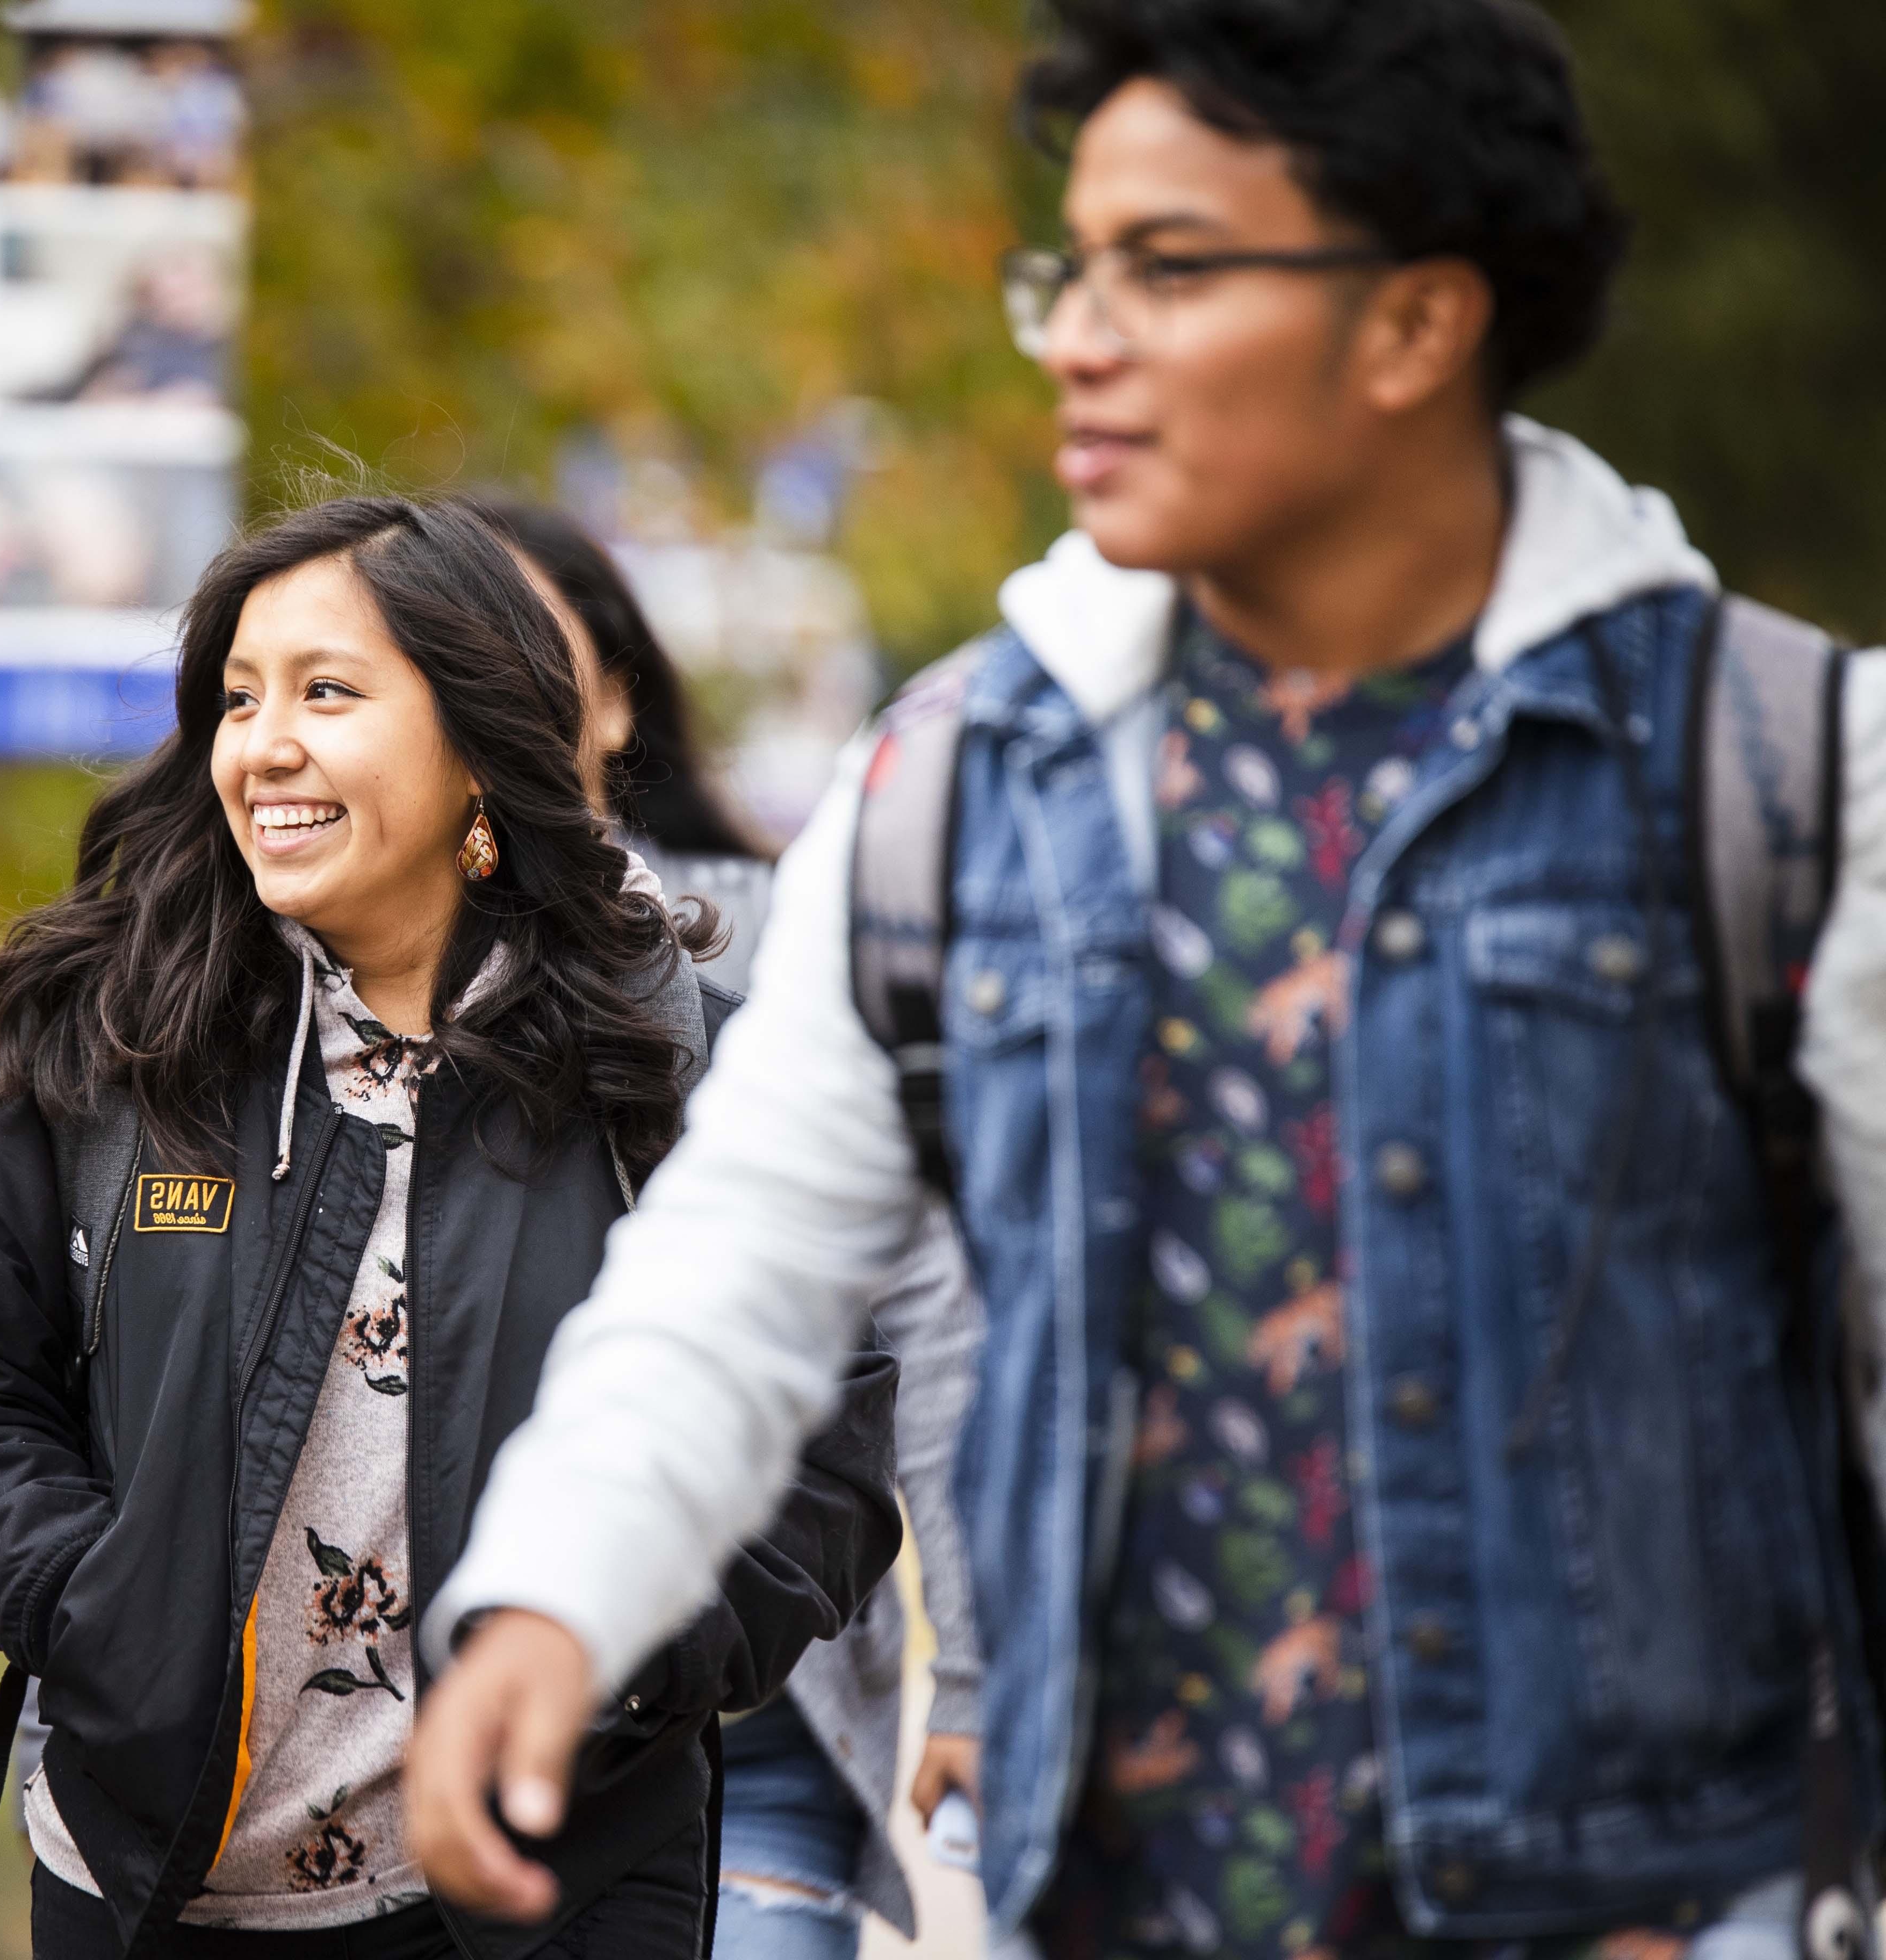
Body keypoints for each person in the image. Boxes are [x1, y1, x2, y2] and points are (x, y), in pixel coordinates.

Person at [405, 2, 1886, 1956]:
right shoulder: (955, 780)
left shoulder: (1779, 767)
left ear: (1413, 323)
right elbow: (739, 1264)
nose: (1077, 337)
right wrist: (549, 1588)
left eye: (1168, 268)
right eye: (1072, 264)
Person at [0, 493, 903, 1959]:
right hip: (147, 1882)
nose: (261, 744)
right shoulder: (103, 1047)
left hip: (560, 1883)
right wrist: (104, 1618)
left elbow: (825, 1438)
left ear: (477, 738)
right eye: (236, 698)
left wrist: (628, 1657)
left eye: (326, 692)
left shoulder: (670, 1069)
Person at [467, 491, 984, 1957]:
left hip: (751, 1709)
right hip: (409, 1718)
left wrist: (980, 1672)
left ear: (619, 699)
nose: (480, 689)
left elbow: (920, 1313)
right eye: (432, 651)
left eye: (526, 650)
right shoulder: (292, 979)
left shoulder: (786, 936)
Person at [459, 496, 780, 977]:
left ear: (613, 701)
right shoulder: (346, 943)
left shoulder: (767, 926)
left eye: (516, 649)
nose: (470, 693)